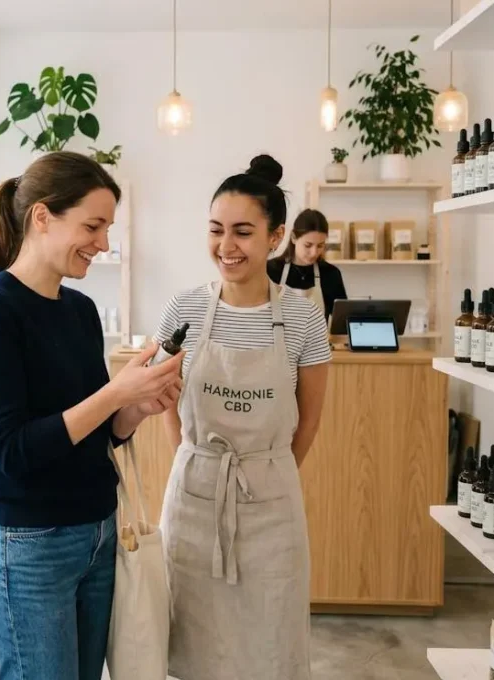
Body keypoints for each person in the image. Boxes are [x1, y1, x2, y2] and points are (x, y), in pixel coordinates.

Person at [0, 151, 183, 680]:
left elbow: (99, 430)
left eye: (106, 228)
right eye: (93, 225)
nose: (102, 243)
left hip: (99, 531)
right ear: (41, 217)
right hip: (29, 548)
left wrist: (136, 408)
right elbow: (8, 453)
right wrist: (113, 395)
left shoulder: (78, 311)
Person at [154, 155, 330, 680]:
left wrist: (269, 470)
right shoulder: (183, 309)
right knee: (191, 640)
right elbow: (167, 407)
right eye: (216, 230)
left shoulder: (302, 316)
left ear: (276, 238)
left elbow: (310, 420)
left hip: (271, 504)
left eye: (243, 232)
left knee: (269, 642)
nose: (226, 247)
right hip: (193, 500)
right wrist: (194, 463)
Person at [267, 208, 347, 319]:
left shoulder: (331, 274)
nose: (314, 253)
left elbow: (342, 321)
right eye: (308, 245)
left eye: (320, 245)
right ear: (294, 238)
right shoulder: (271, 270)